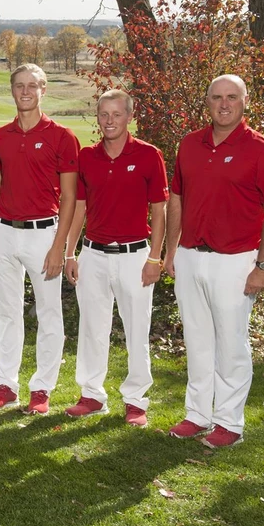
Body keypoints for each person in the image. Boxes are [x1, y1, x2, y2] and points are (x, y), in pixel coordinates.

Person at [164, 74, 264, 448]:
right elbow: (177, 201)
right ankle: (198, 415)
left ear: (245, 101)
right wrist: (171, 252)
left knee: (231, 345)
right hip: (190, 257)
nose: (223, 104)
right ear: (207, 101)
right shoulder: (189, 145)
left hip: (235, 260)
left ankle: (229, 423)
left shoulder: (261, 150)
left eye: (231, 97)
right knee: (198, 341)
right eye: (216, 97)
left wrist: (262, 267)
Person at [61, 89, 167, 427]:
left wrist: (155, 257)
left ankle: (136, 401)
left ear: (129, 116)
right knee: (92, 328)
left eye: (116, 114)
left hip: (135, 256)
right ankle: (92, 395)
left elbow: (160, 211)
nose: (109, 121)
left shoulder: (150, 155)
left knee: (137, 329)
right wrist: (69, 252)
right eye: (104, 114)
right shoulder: (87, 157)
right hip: (93, 254)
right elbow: (79, 208)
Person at [0, 63, 79, 415]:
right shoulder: (0, 137)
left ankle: (41, 389)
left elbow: (69, 197)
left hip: (43, 234)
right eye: (19, 85)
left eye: (32, 85)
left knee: (49, 313)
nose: (25, 91)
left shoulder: (62, 136)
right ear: (12, 90)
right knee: (7, 312)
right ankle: (7, 385)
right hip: (4, 231)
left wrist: (60, 246)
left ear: (43, 90)